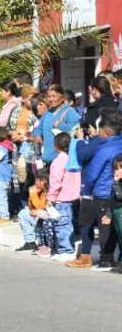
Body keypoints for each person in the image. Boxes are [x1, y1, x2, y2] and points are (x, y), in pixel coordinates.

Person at [65, 108, 122, 269]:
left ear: (105, 131)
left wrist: (86, 190)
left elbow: (92, 174)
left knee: (105, 228)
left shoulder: (104, 148)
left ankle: (106, 259)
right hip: (118, 191)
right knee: (116, 226)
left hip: (103, 193)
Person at [47, 132, 79, 260]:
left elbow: (55, 182)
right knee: (70, 225)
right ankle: (68, 248)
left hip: (61, 198)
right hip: (74, 197)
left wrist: (50, 198)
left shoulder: (58, 161)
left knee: (62, 225)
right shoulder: (73, 159)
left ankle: (65, 250)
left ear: (56, 145)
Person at [34, 84, 79, 167]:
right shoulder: (48, 113)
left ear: (62, 97)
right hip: (47, 160)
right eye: (49, 96)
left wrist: (60, 125)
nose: (51, 99)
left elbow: (76, 129)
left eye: (54, 96)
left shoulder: (69, 111)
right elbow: (38, 128)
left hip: (62, 162)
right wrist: (37, 135)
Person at [15, 169, 53, 254]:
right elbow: (31, 206)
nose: (36, 183)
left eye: (38, 181)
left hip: (49, 217)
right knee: (23, 213)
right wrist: (33, 194)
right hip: (39, 215)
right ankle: (30, 242)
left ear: (44, 181)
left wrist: (38, 211)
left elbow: (49, 209)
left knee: (42, 218)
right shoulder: (35, 190)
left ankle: (48, 245)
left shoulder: (51, 191)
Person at [102, 155, 122, 272]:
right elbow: (112, 199)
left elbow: (119, 196)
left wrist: (115, 183)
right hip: (116, 212)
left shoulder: (117, 183)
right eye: (116, 168)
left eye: (120, 168)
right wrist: (108, 214)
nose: (118, 171)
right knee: (119, 238)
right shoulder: (116, 183)